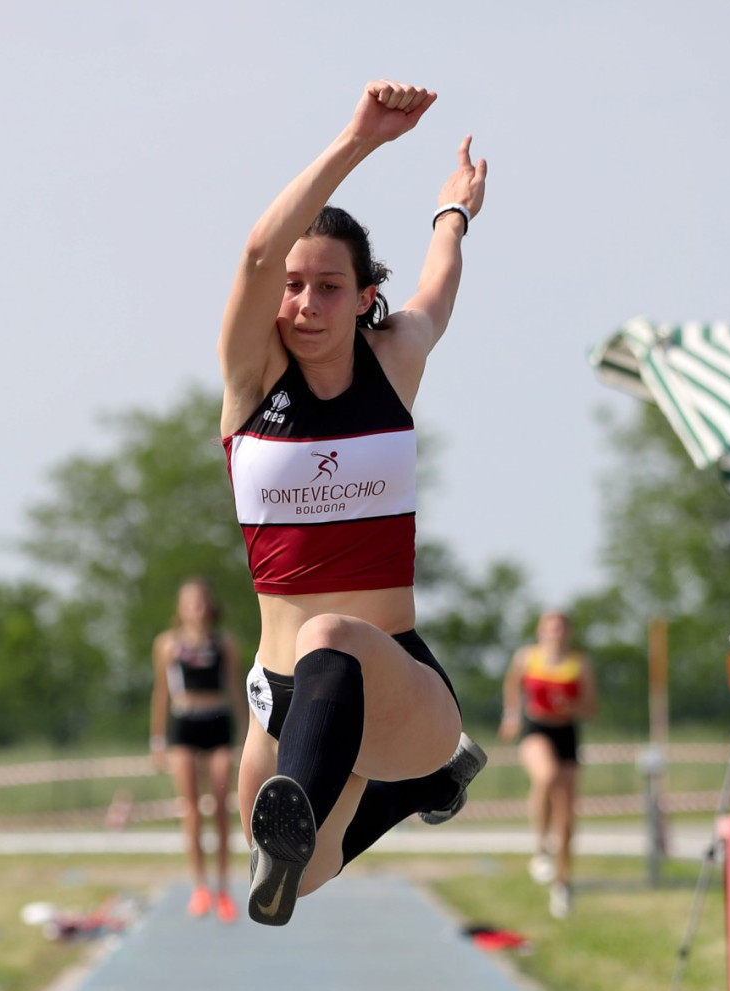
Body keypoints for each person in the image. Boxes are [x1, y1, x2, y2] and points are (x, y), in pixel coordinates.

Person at [218, 79, 489, 927]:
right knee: (297, 876)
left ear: (366, 295)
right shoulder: (251, 382)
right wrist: (359, 137)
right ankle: (419, 791)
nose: (305, 303)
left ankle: (414, 771)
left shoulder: (394, 359)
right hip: (278, 695)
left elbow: (438, 285)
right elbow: (257, 254)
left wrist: (453, 213)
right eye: (294, 285)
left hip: (396, 681)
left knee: (329, 635)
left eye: (329, 286)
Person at [150, 577, 246, 923]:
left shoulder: (225, 643)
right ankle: (200, 887)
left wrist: (247, 736)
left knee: (220, 808)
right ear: (180, 608)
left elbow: (236, 689)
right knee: (190, 810)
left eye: (202, 600)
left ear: (211, 605)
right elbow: (161, 692)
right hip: (184, 725)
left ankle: (223, 888)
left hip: (217, 723)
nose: (197, 607)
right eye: (190, 601)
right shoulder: (167, 644)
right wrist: (157, 739)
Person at [500, 610, 597, 919]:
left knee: (567, 816)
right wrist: (511, 716)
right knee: (547, 775)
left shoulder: (579, 663)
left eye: (561, 628)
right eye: (550, 628)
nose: (556, 633)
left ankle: (563, 884)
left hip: (566, 733)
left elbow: (591, 707)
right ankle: (540, 848)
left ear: (568, 632)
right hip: (536, 730)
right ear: (540, 630)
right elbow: (512, 686)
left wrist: (571, 706)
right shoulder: (527, 657)